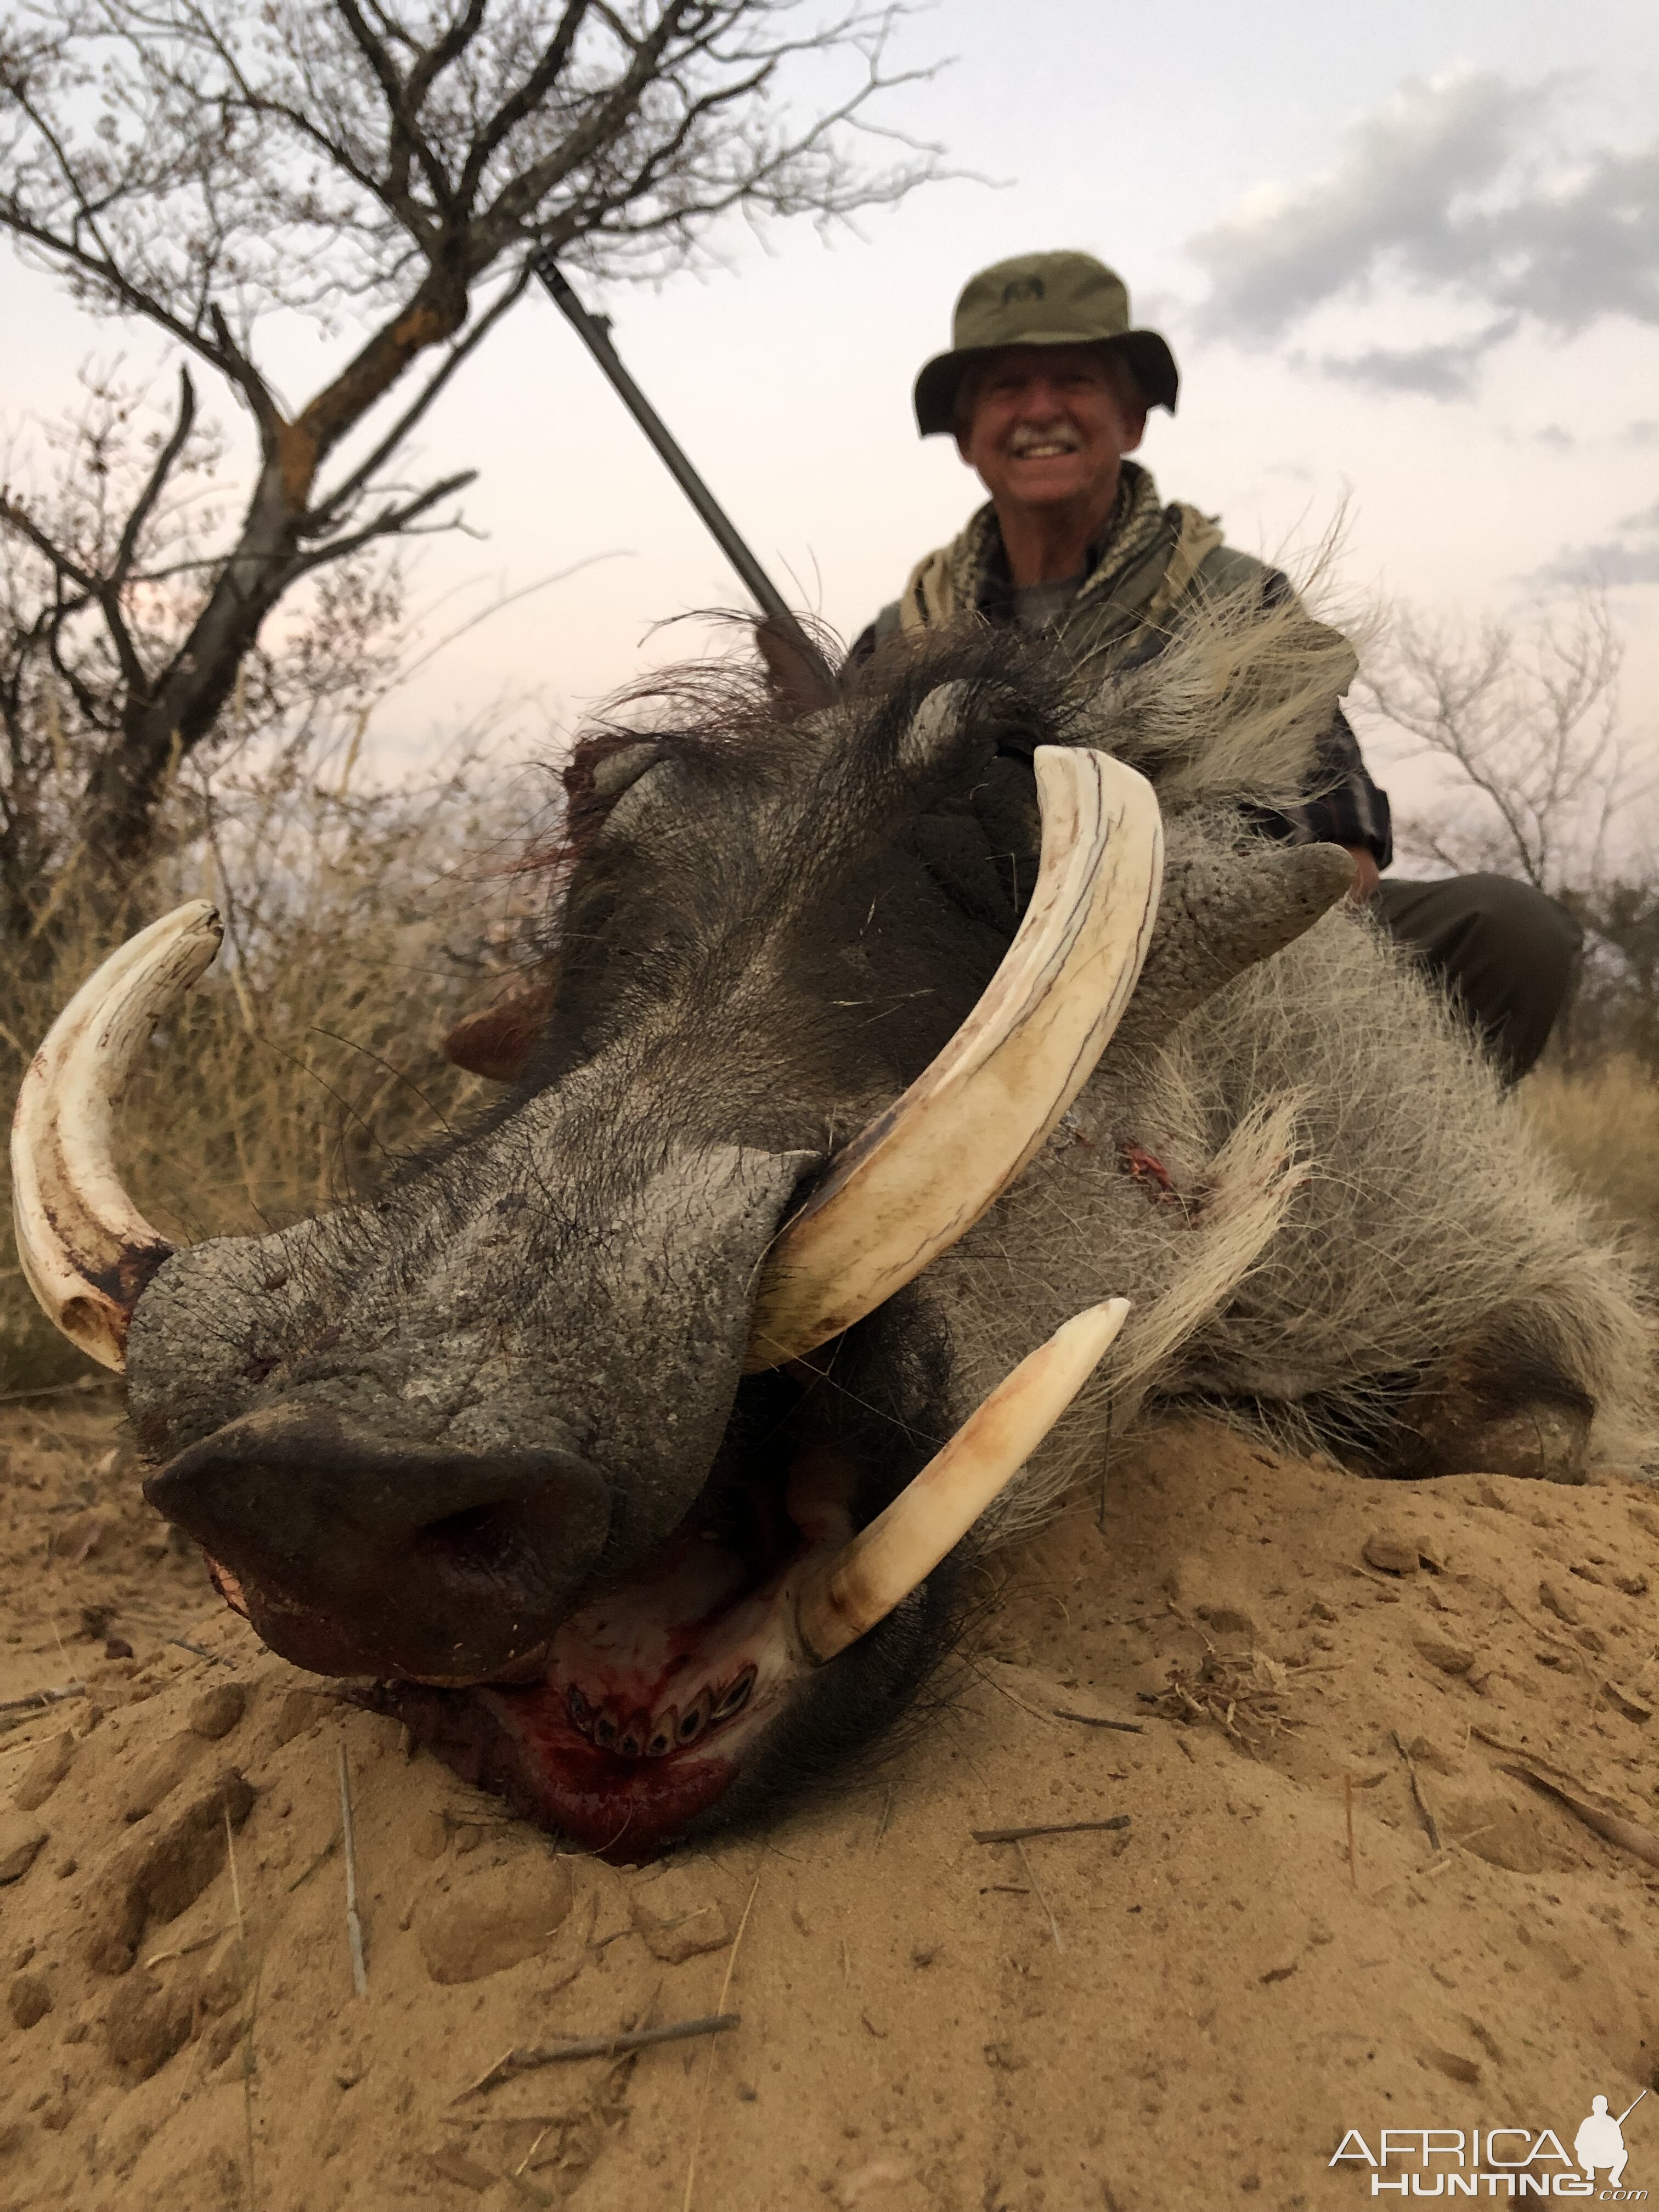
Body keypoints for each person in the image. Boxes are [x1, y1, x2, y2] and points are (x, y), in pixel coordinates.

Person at [849, 250, 1581, 1083]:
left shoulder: (1237, 598)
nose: (1040, 410)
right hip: (965, 973)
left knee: (1512, 932)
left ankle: (1370, 1191)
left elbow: (1341, 853)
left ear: (1132, 420)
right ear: (968, 437)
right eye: (1007, 386)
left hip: (1216, 960)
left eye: (1076, 382)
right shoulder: (894, 642)